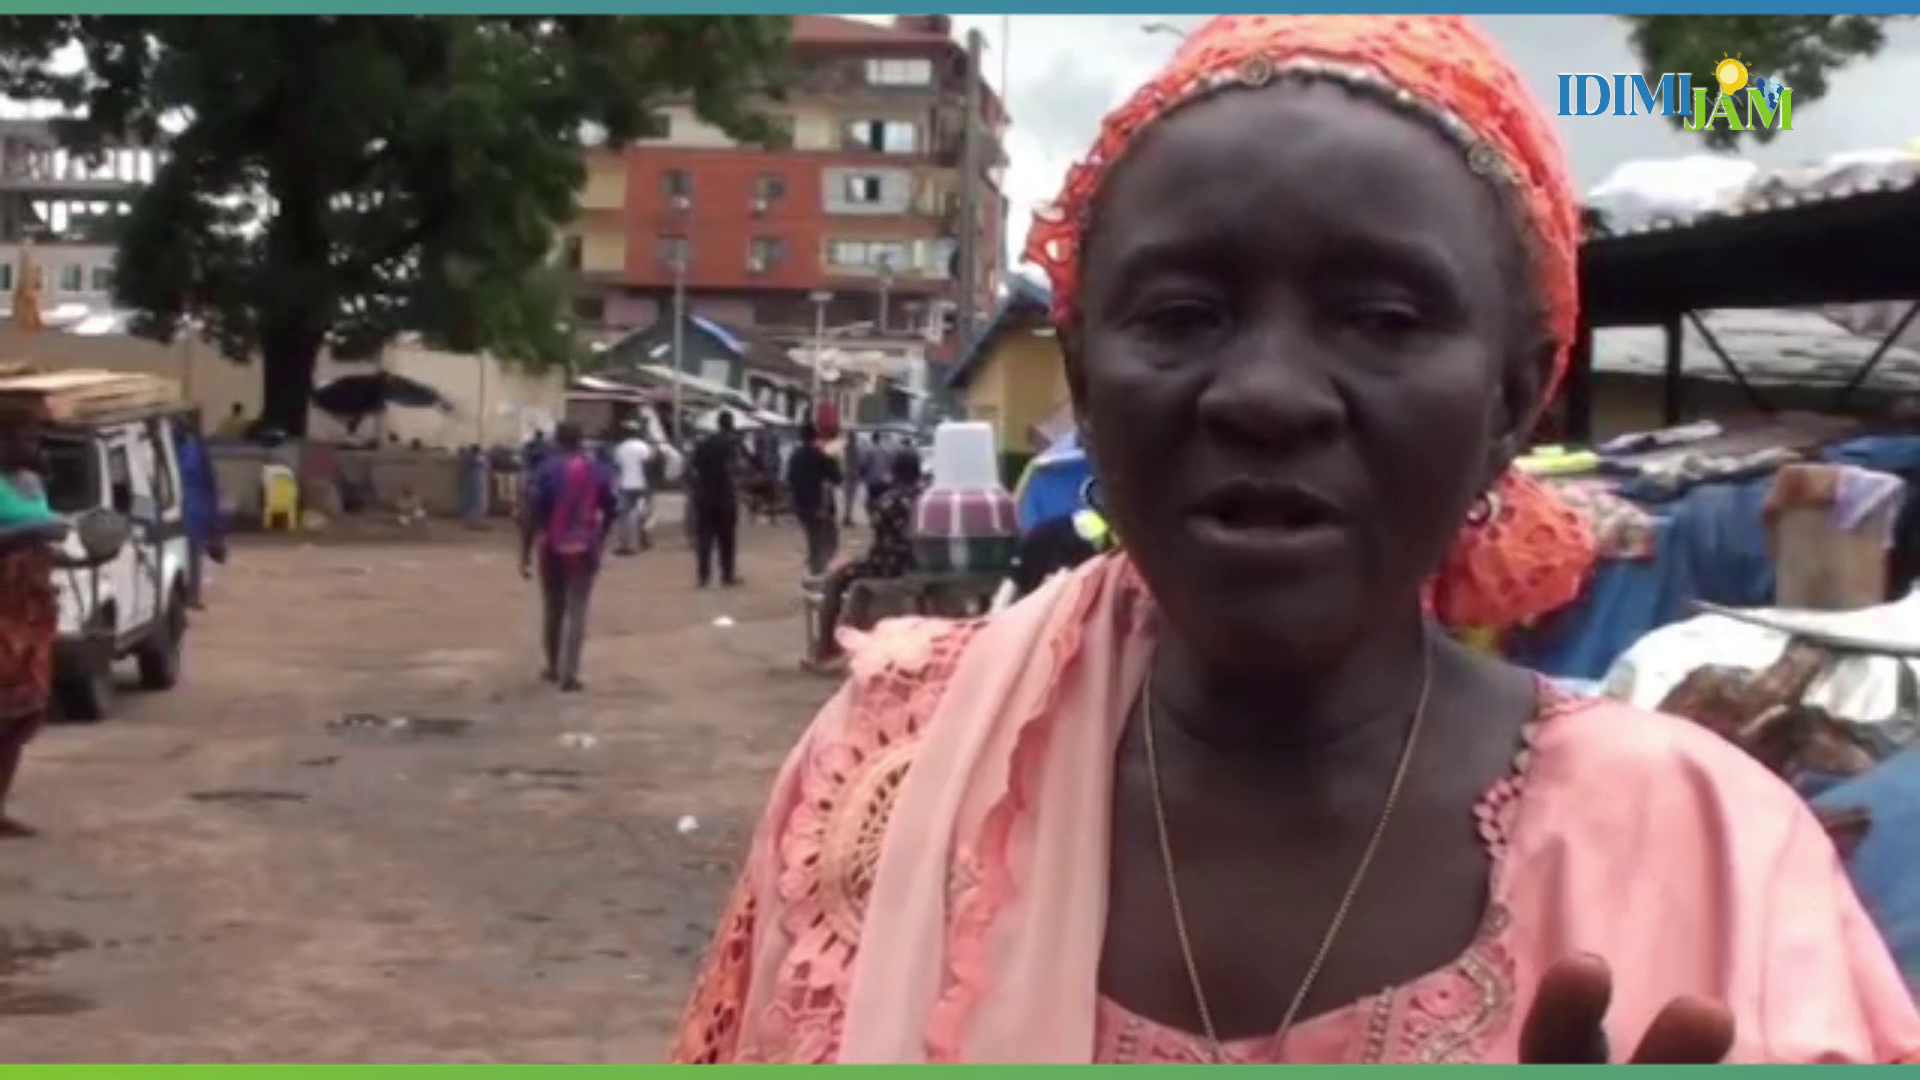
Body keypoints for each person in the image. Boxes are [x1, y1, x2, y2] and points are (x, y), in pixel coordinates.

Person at [671, 17, 1920, 1066]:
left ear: (1512, 402)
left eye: (1380, 315)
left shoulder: (1714, 853)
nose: (1266, 393)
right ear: (1087, 381)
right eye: (1182, 312)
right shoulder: (891, 775)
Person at [0, 406, 67, 838]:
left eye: (36, 436)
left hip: (31, 608)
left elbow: (44, 529)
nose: (33, 445)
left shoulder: (29, 483)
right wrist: (34, 535)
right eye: (24, 436)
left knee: (24, 714)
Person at [519, 421, 616, 692]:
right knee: (578, 610)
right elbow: (611, 508)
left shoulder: (544, 471)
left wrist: (525, 553)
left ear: (557, 441)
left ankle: (552, 666)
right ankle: (570, 674)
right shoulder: (597, 470)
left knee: (553, 608)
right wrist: (601, 536)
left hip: (552, 546)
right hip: (585, 548)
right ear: (581, 440)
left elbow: (532, 515)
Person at [809, 448, 923, 670]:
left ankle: (825, 647)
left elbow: (880, 538)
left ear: (895, 471)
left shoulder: (888, 500)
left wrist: (857, 560)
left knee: (835, 580)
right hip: (915, 565)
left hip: (887, 565)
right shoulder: (927, 499)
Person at [174, 421, 227, 610]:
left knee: (191, 554)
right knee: (189, 555)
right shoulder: (193, 449)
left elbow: (211, 484)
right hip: (189, 508)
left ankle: (190, 596)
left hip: (190, 509)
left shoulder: (189, 450)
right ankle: (189, 596)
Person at [689, 410, 743, 588]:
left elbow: (693, 468)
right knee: (726, 539)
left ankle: (703, 577)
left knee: (704, 539)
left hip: (704, 496)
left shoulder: (703, 443)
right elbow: (735, 468)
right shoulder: (732, 443)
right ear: (730, 424)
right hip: (724, 497)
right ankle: (727, 576)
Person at [785, 421, 842, 577]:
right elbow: (837, 477)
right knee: (829, 539)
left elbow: (789, 479)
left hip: (801, 504)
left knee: (814, 537)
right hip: (819, 505)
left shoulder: (795, 455)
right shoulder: (821, 453)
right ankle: (819, 570)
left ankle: (816, 566)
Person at [611, 421, 655, 555]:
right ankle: (644, 539)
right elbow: (648, 465)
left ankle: (625, 545)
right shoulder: (643, 447)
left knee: (623, 515)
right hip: (641, 484)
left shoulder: (620, 448)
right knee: (644, 513)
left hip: (625, 485)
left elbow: (617, 467)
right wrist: (649, 483)